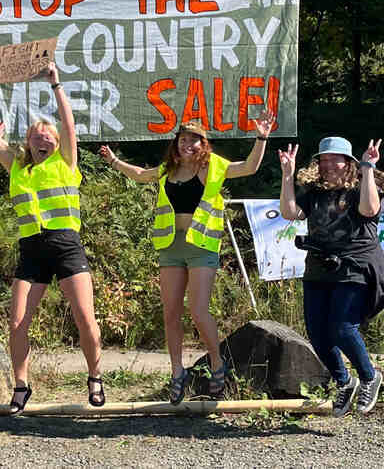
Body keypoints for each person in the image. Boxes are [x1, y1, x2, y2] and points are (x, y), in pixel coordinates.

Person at [99, 112, 275, 404]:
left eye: (194, 140)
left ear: (204, 144)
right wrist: (114, 162)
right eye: (183, 139)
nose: (188, 145)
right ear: (177, 143)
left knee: (197, 310)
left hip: (202, 245)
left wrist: (261, 137)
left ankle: (218, 363)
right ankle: (177, 371)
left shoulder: (214, 166)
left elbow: (249, 167)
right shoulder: (169, 168)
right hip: (171, 245)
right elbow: (142, 175)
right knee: (170, 313)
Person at [0, 62, 104, 414]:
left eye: (48, 135)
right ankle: (21, 385)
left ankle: (95, 375)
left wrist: (56, 85)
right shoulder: (16, 165)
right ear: (28, 142)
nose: (42, 138)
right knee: (17, 322)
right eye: (36, 135)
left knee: (85, 318)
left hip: (66, 244)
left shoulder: (66, 161)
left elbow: (69, 125)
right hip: (31, 250)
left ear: (57, 142)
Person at [278, 136, 384, 416]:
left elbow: (370, 210)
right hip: (318, 267)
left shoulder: (363, 186)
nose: (327, 164)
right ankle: (344, 381)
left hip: (355, 265)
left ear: (348, 162)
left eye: (333, 159)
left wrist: (368, 168)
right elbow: (290, 212)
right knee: (317, 334)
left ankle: (370, 377)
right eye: (323, 160)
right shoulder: (314, 191)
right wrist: (287, 175)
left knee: (342, 328)